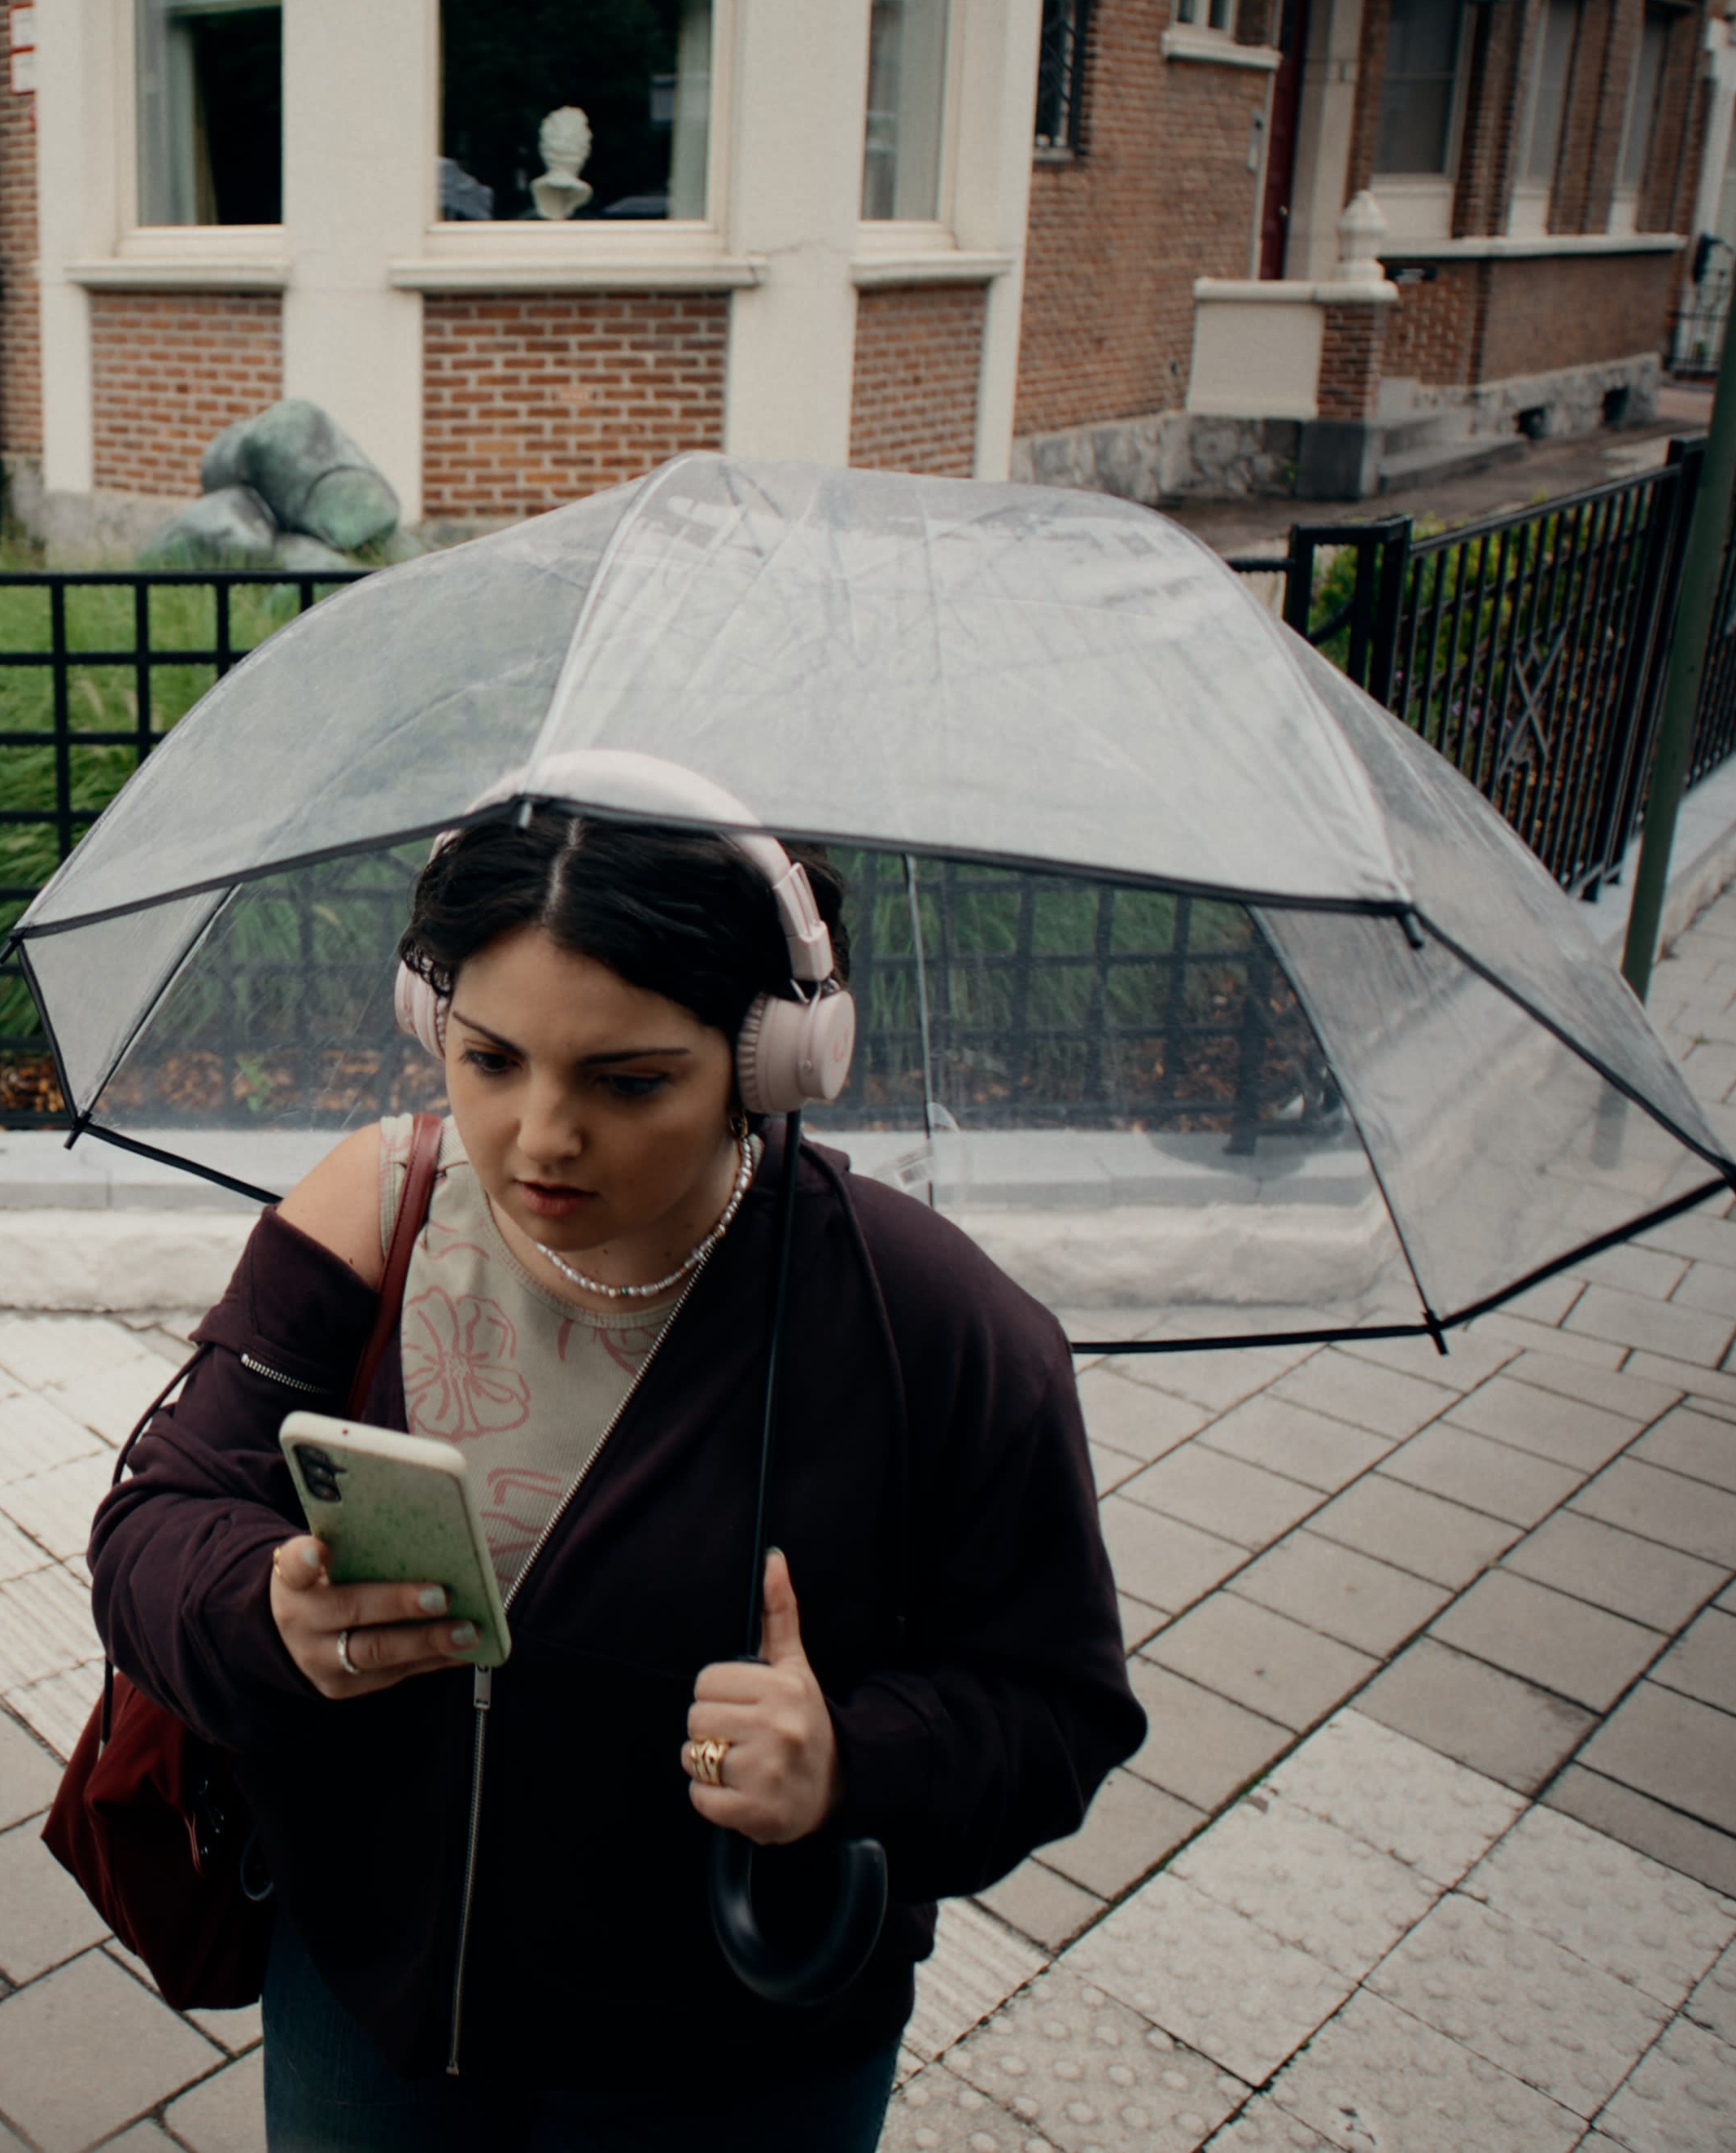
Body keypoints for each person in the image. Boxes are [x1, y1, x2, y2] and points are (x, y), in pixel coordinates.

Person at [88, 779, 1145, 2151]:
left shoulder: (927, 1325)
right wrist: (263, 1609)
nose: (542, 1137)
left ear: (776, 1060)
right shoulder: (370, 1212)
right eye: (489, 1060)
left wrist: (848, 1766)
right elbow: (153, 1526)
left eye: (628, 1080)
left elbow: (1056, 1708)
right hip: (370, 2016)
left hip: (736, 2059)